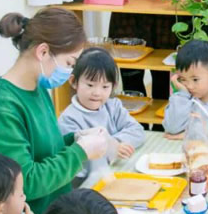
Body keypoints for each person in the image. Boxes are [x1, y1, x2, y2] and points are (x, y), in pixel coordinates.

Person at [0, 8, 107, 214]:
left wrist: (75, 140)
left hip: (54, 213)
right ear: (43, 52)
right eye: (69, 63)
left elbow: (42, 151)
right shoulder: (2, 106)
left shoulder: (38, 89)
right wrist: (80, 152)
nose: (70, 72)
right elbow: (26, 183)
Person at [58, 47, 146, 184]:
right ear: (74, 82)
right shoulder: (68, 119)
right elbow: (82, 159)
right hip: (84, 182)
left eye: (105, 87)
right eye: (90, 85)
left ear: (113, 86)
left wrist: (116, 143)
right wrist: (110, 146)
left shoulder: (113, 106)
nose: (97, 93)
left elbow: (137, 131)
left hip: (114, 173)